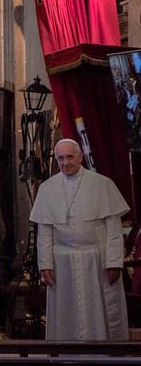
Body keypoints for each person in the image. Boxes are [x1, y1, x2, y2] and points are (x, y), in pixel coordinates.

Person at [30, 138, 131, 342]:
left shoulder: (102, 184)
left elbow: (113, 230)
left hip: (96, 261)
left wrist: (114, 263)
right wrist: (45, 264)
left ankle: (104, 357)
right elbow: (45, 233)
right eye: (60, 158)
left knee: (100, 311)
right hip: (62, 262)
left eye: (69, 157)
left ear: (80, 157)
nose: (65, 162)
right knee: (66, 313)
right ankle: (65, 356)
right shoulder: (47, 188)